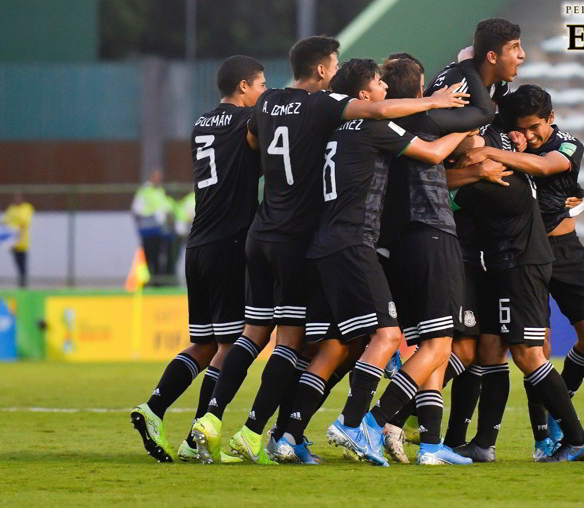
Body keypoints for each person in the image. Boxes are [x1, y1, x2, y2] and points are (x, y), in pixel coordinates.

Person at [190, 35, 469, 464]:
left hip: (260, 231)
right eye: (333, 64)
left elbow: (250, 140)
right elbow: (384, 115)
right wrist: (437, 103)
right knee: (304, 341)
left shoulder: (269, 101)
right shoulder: (327, 108)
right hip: (307, 238)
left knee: (264, 336)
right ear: (323, 70)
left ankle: (219, 421)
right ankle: (293, 429)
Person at [337, 18, 524, 467]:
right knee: (440, 346)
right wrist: (464, 108)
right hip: (431, 233)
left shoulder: (382, 127)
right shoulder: (424, 118)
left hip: (396, 240)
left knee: (432, 346)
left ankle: (433, 446)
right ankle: (372, 422)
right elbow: (481, 114)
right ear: (420, 88)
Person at [271, 58, 471, 464]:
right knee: (386, 336)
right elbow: (431, 152)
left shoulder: (333, 127)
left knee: (335, 346)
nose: (382, 88)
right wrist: (465, 124)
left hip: (323, 243)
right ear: (363, 95)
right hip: (354, 242)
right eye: (377, 83)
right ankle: (354, 424)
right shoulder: (372, 124)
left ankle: (287, 434)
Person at [130, 55, 267, 463]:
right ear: (243, 86)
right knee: (231, 344)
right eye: (260, 85)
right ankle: (197, 436)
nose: (263, 94)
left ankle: (154, 409)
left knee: (204, 344)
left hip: (199, 243)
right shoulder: (247, 125)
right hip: (228, 243)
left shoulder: (201, 124)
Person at [460, 84, 584, 461]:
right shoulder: (513, 142)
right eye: (522, 128)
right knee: (533, 347)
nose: (530, 134)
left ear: (551, 120)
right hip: (524, 252)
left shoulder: (567, 145)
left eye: (536, 127)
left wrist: (489, 151)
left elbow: (546, 167)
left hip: (564, 250)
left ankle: (561, 410)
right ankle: (543, 438)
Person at [131, 170, 172, 286]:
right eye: (157, 177)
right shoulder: (144, 192)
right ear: (151, 177)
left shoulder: (160, 191)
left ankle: (158, 283)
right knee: (150, 258)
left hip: (160, 230)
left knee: (160, 258)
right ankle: (150, 282)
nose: (159, 180)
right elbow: (137, 210)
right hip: (149, 230)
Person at [4, 193, 34, 288]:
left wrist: (18, 235)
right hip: (12, 241)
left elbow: (24, 222)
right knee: (16, 262)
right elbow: (6, 221)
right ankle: (20, 281)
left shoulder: (26, 208)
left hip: (22, 241)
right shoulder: (11, 208)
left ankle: (23, 282)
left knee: (22, 263)